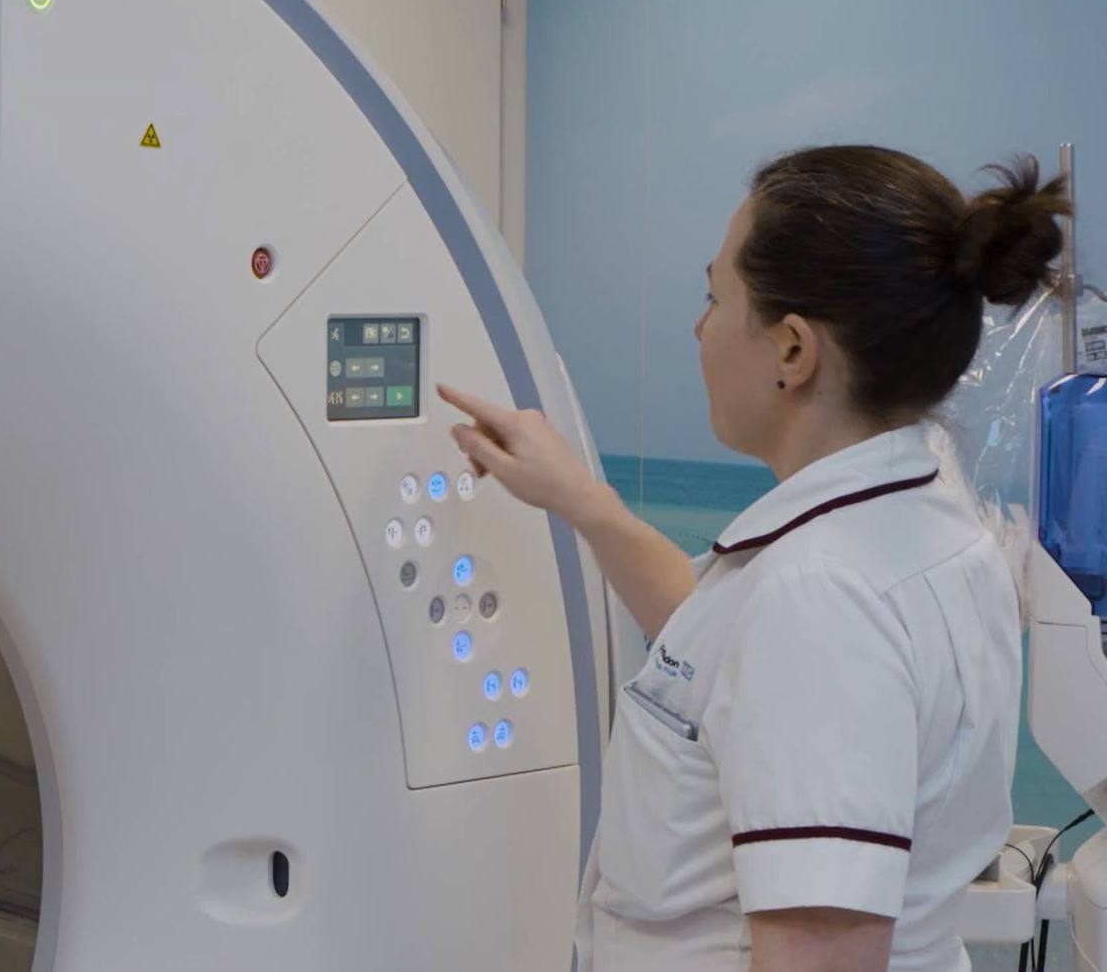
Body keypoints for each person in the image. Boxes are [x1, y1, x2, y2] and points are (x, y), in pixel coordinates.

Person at [442, 146, 1071, 972]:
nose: (698, 328)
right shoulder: (927, 513)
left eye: (715, 295)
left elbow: (821, 954)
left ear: (792, 351)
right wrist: (582, 501)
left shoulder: (823, 597)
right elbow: (728, 662)